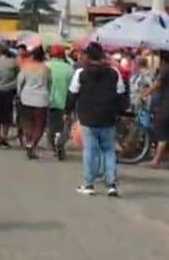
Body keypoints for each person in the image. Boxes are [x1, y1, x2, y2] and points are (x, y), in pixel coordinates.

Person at [68, 42, 127, 197]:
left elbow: (72, 94)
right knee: (109, 150)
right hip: (108, 117)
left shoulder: (81, 73)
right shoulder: (114, 73)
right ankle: (112, 184)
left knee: (90, 150)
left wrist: (67, 111)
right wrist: (120, 112)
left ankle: (88, 184)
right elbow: (121, 95)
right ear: (102, 56)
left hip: (88, 117)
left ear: (87, 56)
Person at [142, 51, 169, 169]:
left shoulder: (166, 70)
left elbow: (158, 84)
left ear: (163, 60)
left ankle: (156, 160)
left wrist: (145, 93)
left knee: (163, 132)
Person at [17, 46, 51, 159]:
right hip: (41, 98)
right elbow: (50, 83)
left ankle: (28, 142)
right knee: (39, 125)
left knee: (27, 123)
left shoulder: (26, 67)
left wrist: (19, 93)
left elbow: (20, 81)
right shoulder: (45, 68)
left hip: (26, 97)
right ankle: (33, 144)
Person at [0, 42, 19, 146]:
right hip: (8, 91)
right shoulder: (14, 63)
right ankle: (4, 136)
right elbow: (18, 75)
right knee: (6, 117)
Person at [46, 44, 73, 159]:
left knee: (50, 126)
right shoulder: (70, 68)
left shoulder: (46, 66)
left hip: (49, 101)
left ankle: (53, 147)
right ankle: (60, 142)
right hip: (65, 101)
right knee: (65, 126)